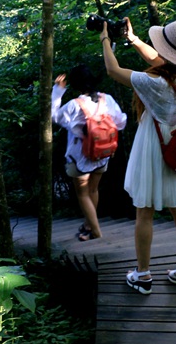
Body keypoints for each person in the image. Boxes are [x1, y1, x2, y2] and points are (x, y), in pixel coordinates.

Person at [99, 18, 176, 294]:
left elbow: (113, 69)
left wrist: (105, 39)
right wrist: (132, 39)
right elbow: (160, 59)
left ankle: (143, 275)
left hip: (155, 146)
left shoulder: (152, 82)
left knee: (144, 211)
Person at [52, 64, 127, 242]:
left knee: (83, 194)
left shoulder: (74, 105)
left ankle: (97, 231)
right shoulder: (106, 99)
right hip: (103, 154)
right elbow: (121, 121)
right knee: (93, 189)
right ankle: (88, 227)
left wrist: (57, 91)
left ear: (75, 84)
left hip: (80, 156)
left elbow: (54, 117)